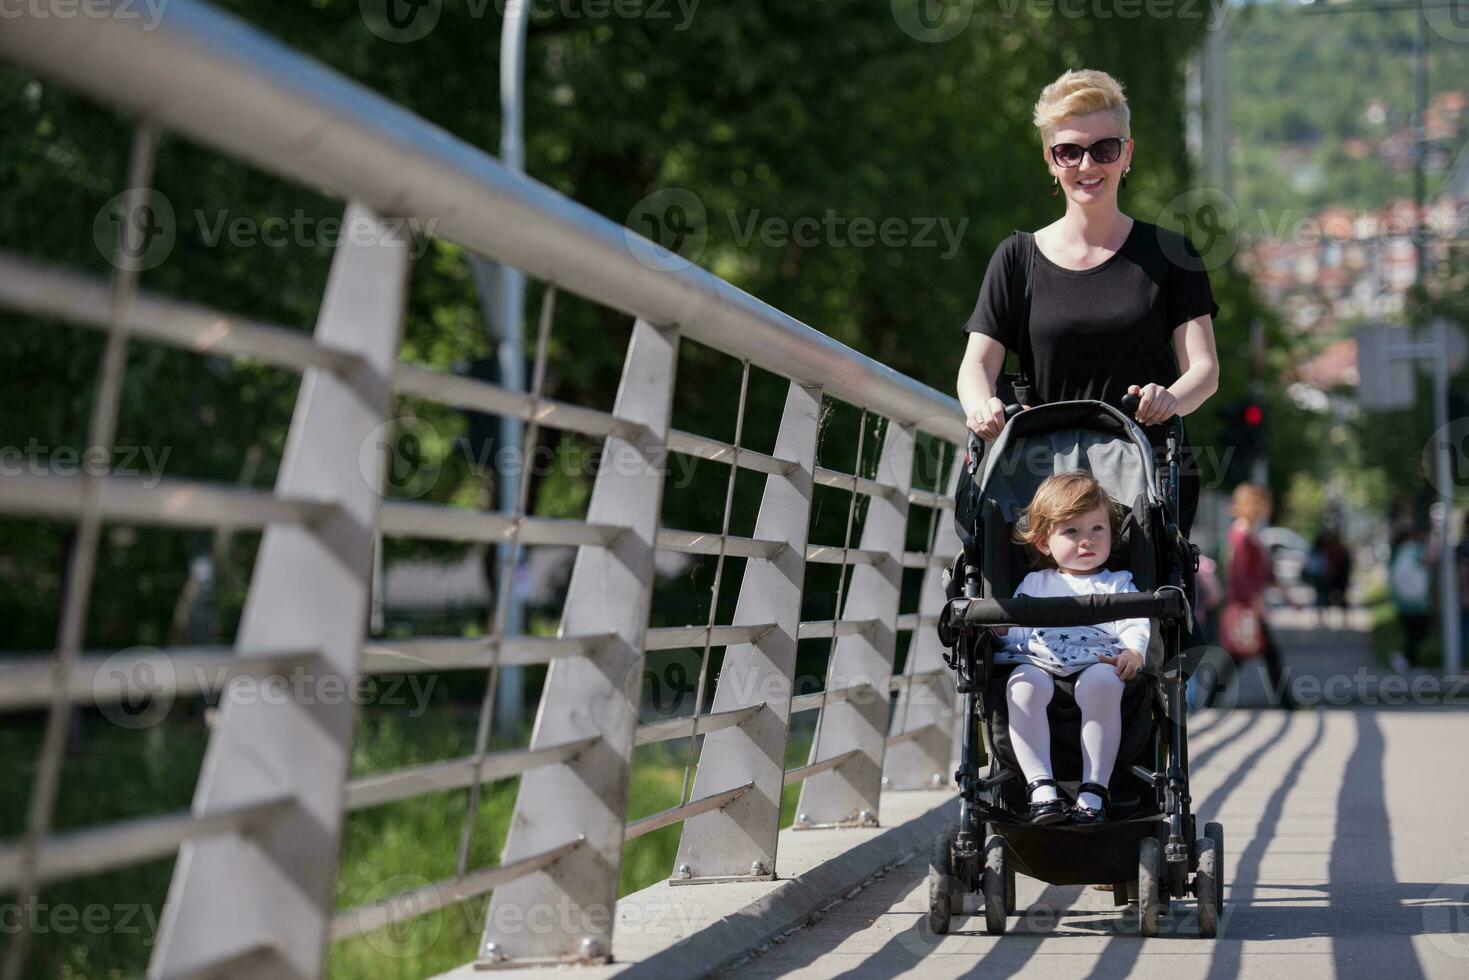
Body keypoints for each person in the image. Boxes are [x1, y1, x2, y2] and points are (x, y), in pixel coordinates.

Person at [956, 68, 1221, 538]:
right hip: (1040, 487)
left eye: (1104, 149)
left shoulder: (1171, 256)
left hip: (1145, 481)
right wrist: (980, 406)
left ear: (1127, 154)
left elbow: (1204, 371)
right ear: (1050, 161)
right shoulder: (1017, 258)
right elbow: (977, 361)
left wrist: (1170, 398)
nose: (1086, 165)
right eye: (1068, 151)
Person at [991, 472, 1148, 826]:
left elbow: (1135, 624)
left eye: (1097, 529)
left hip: (1098, 660)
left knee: (1103, 684)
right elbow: (1018, 636)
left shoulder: (1119, 583)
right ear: (1045, 542)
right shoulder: (1035, 583)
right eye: (1071, 531)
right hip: (1038, 661)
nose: (1086, 541)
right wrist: (1000, 627)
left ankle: (1095, 790)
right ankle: (1040, 786)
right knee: (1022, 686)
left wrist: (1133, 653)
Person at [1222, 483, 1298, 710]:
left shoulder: (1251, 534)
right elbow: (1240, 575)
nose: (1269, 507)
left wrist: (1288, 596)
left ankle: (1209, 701)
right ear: (1253, 504)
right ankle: (1288, 703)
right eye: (1265, 502)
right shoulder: (1242, 535)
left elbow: (1265, 573)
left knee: (1243, 656)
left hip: (1250, 606)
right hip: (1247, 607)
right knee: (1260, 654)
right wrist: (1256, 604)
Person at [1389, 527, 1433, 672]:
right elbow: (1431, 558)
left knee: (1412, 633)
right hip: (1417, 602)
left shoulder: (1397, 554)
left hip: (1402, 601)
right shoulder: (1414, 551)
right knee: (1419, 632)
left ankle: (1408, 659)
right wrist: (1430, 541)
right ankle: (1406, 658)